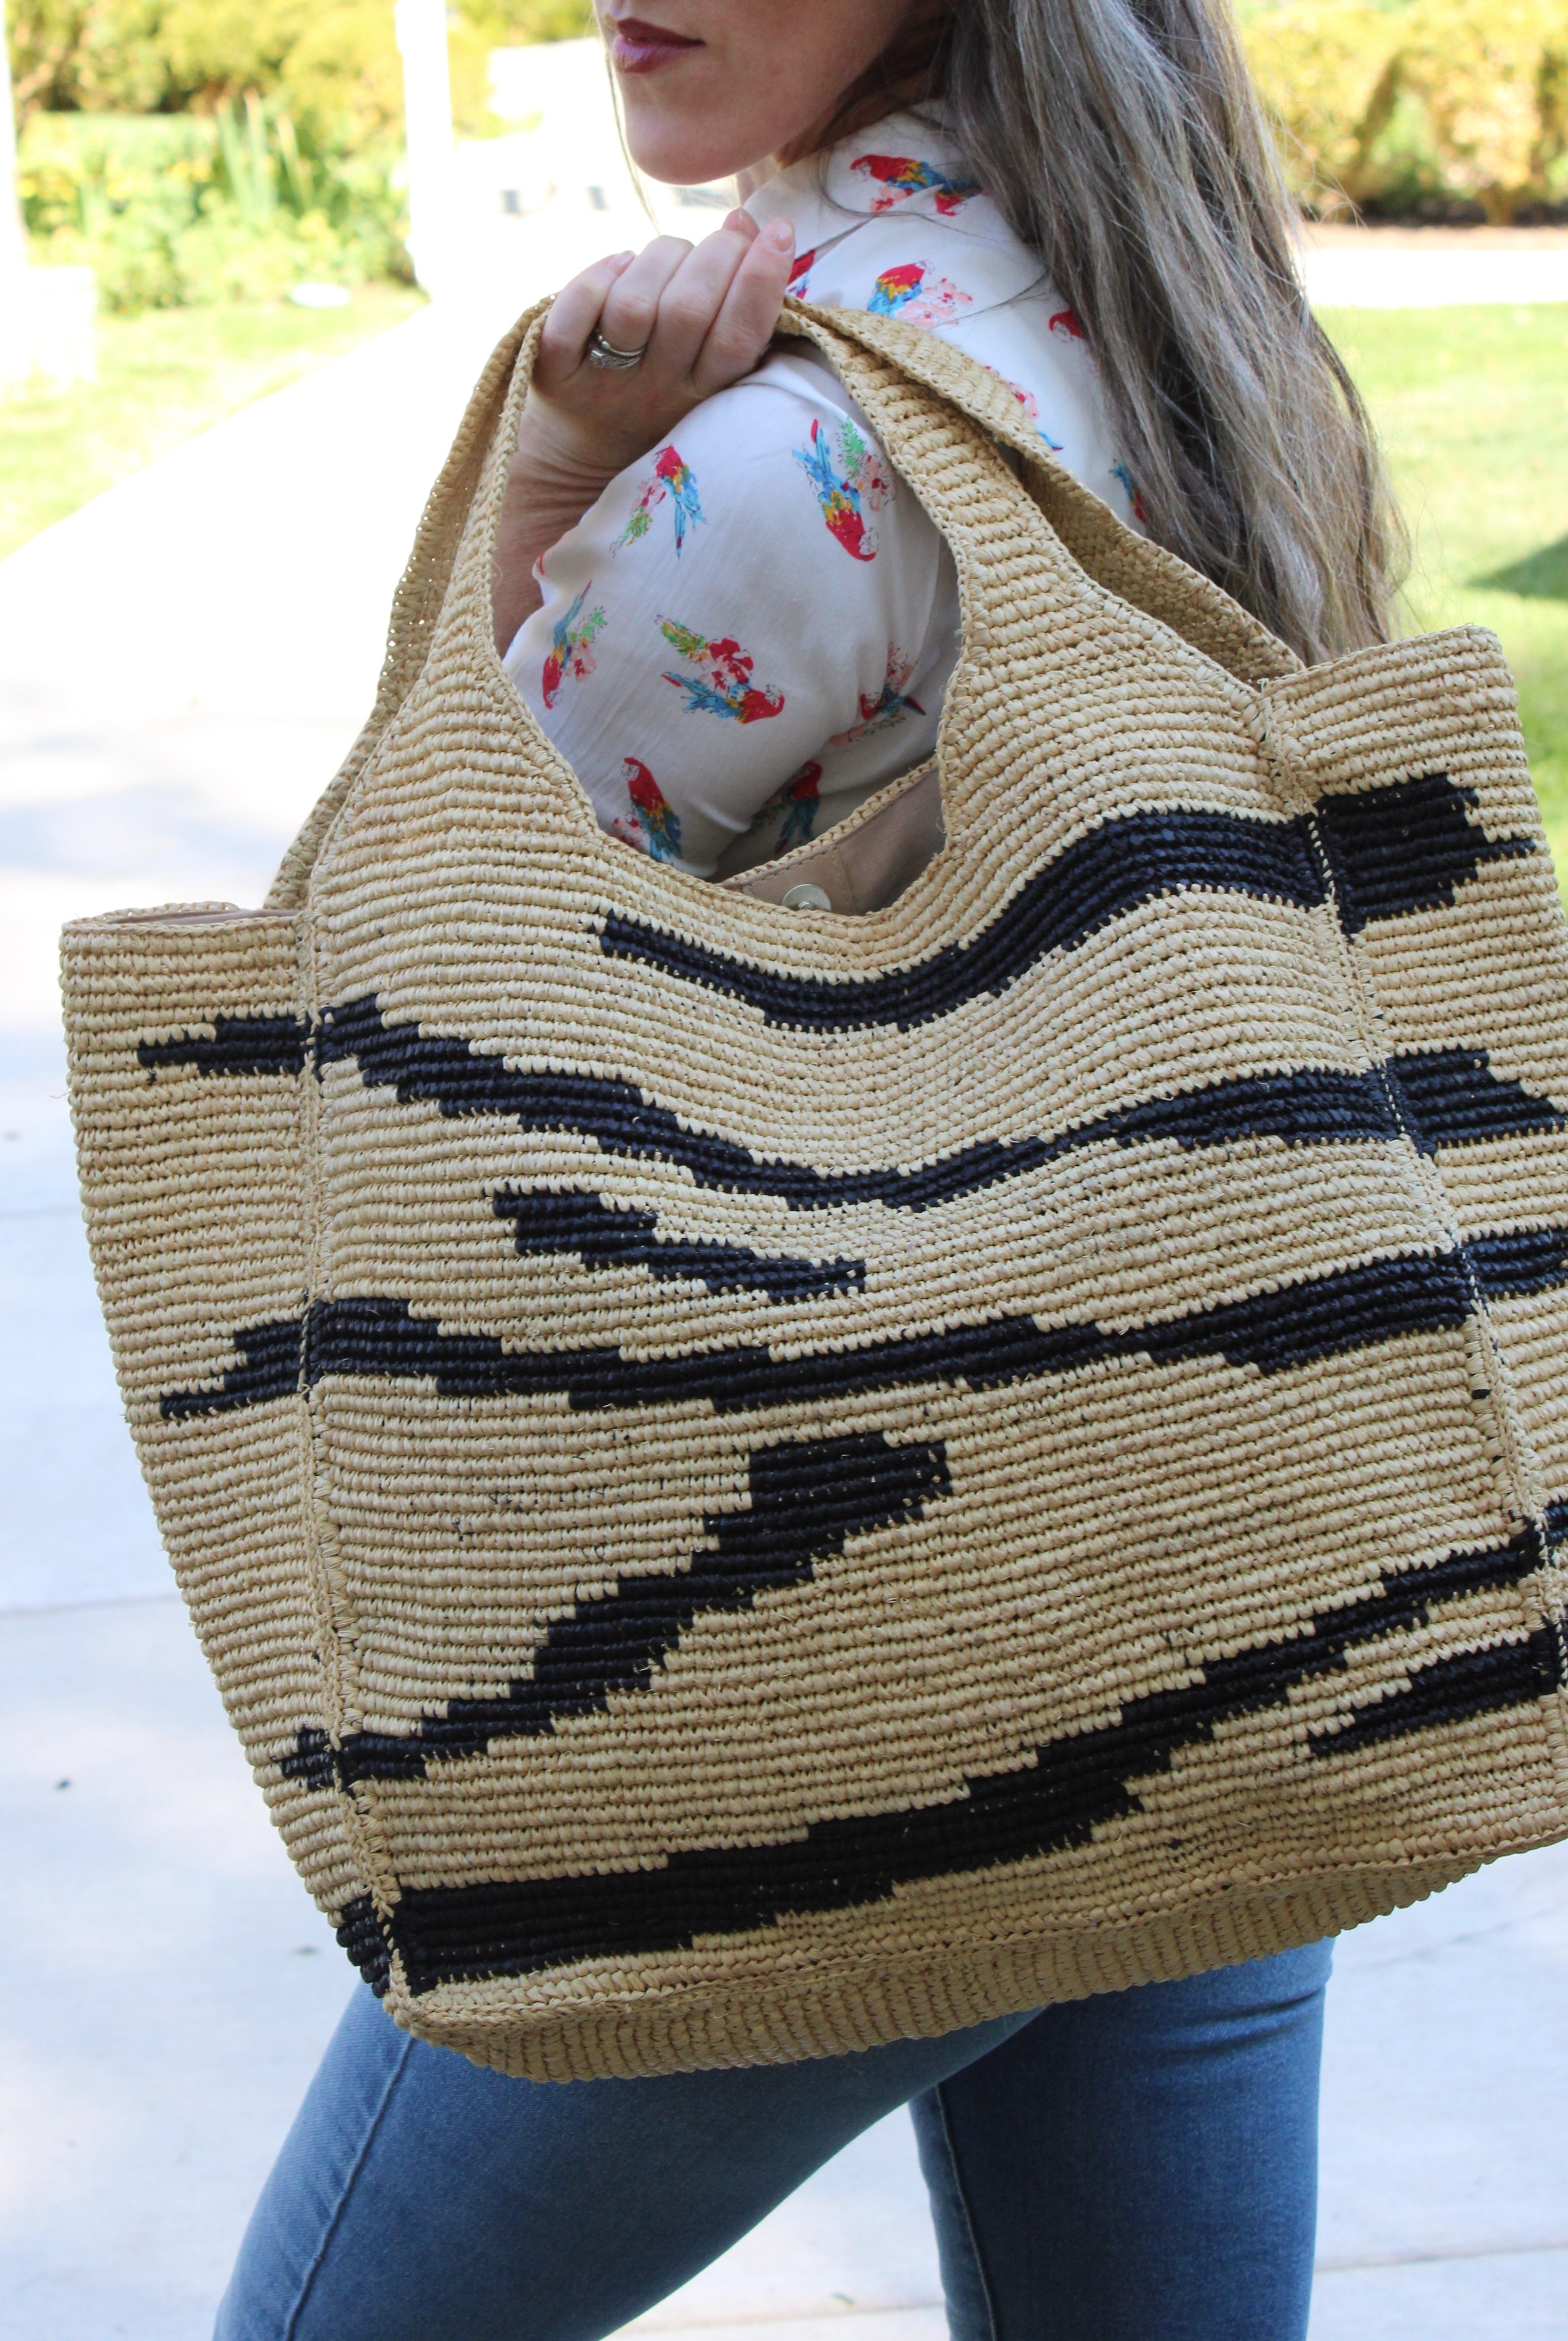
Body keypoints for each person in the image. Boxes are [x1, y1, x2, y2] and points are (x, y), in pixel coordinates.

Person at [217, 4, 1404, 2334]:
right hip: (1225, 1587)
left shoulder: (791, 464)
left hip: (836, 1668)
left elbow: (387, 994)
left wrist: (555, 479)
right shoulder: (1165, 341)